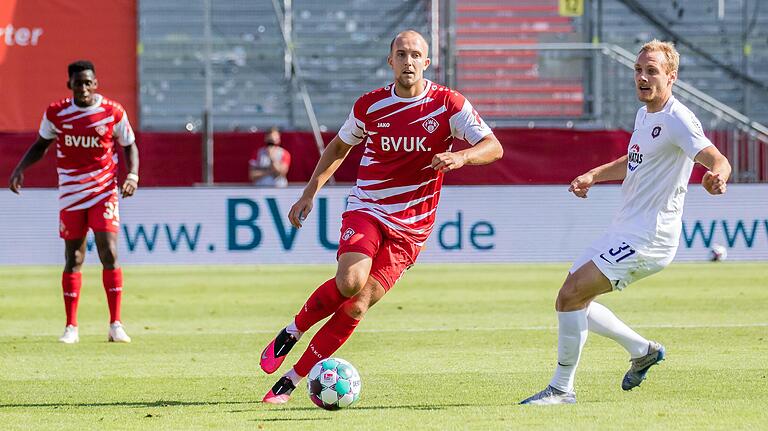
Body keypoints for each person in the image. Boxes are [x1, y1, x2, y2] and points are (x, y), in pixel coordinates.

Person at [259, 30, 503, 404]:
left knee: (357, 305)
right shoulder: (370, 106)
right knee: (351, 281)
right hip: (368, 207)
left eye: (415, 54)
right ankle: (291, 332)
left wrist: (462, 156)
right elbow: (340, 146)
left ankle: (293, 380)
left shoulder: (449, 105)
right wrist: (309, 192)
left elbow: (493, 146)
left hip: (413, 227)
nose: (408, 61)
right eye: (401, 54)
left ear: (427, 61)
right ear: (390, 61)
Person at [520, 40, 731, 405]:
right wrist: (594, 174)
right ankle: (642, 350)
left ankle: (561, 389)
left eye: (652, 71)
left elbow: (717, 157)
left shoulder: (678, 118)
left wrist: (717, 176)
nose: (643, 78)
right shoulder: (645, 115)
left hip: (651, 237)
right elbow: (635, 159)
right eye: (638, 70)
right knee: (573, 296)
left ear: (671, 77)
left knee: (570, 295)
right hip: (626, 227)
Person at [8, 60, 139, 344]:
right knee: (74, 257)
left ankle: (115, 324)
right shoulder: (56, 114)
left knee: (109, 252)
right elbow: (41, 145)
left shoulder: (112, 112)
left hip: (104, 190)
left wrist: (133, 174)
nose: (83, 87)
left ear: (95, 84)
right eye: (78, 82)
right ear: (70, 84)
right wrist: (20, 168)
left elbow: (129, 144)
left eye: (88, 82)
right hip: (71, 193)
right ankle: (71, 327)